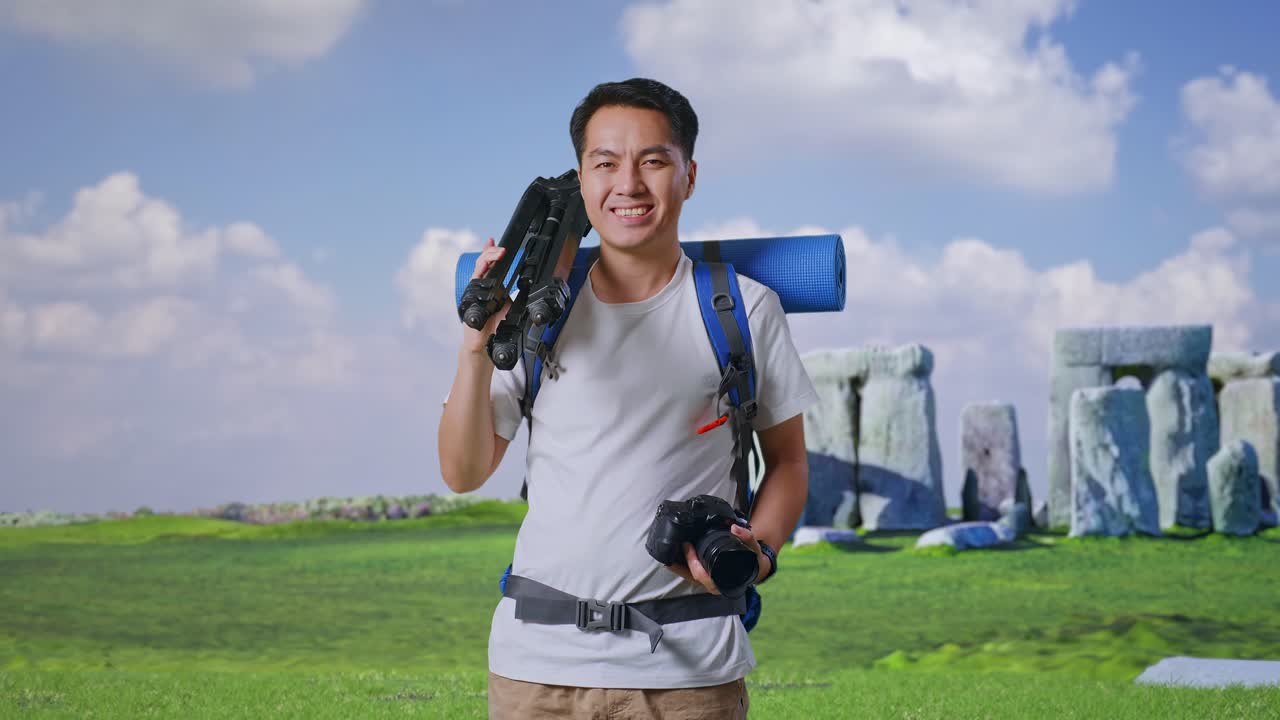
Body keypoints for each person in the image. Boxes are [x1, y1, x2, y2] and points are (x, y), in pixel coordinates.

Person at [438, 77, 818, 719]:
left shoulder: (743, 310)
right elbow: (463, 471)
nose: (629, 184)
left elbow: (788, 462)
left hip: (690, 675)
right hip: (536, 671)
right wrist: (475, 348)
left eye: (653, 161)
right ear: (582, 181)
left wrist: (762, 555)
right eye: (606, 163)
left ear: (688, 176)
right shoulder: (536, 315)